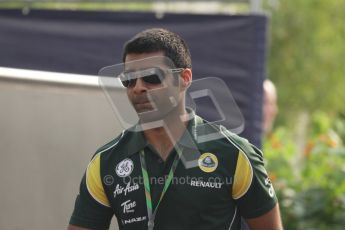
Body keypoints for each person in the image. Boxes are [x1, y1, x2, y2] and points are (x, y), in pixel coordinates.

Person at [68, 28, 283, 230]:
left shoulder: (234, 154)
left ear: (185, 78)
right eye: (129, 80)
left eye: (152, 77)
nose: (138, 87)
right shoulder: (107, 161)